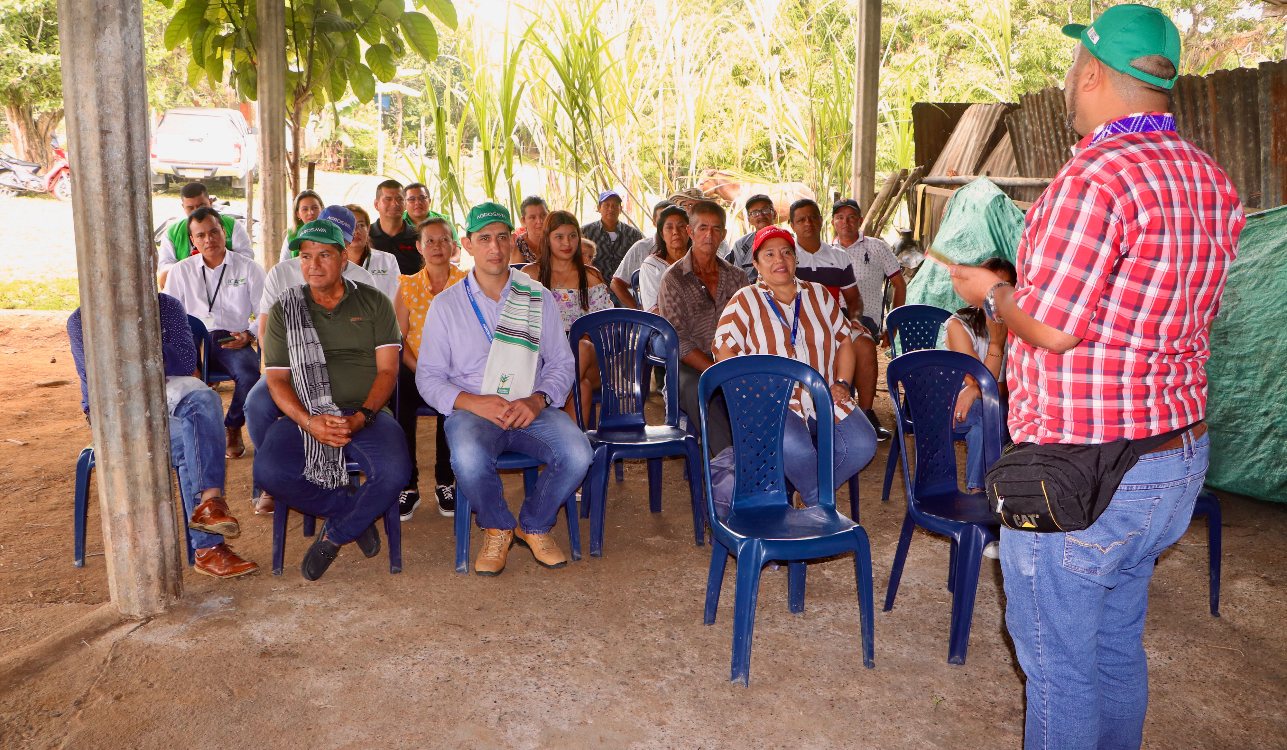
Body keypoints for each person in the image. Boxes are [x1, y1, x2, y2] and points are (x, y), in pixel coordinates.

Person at [949, 6, 1243, 748]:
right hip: (1169, 461)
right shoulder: (1209, 179)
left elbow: (1053, 327)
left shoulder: (1094, 178)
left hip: (1083, 474)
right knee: (1113, 649)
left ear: (1089, 73)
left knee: (1058, 671)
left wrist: (990, 293)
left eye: (1072, 74)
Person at [416, 202, 593, 576]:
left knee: (578, 453)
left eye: (501, 237)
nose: (494, 248)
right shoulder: (446, 306)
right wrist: (472, 402)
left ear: (512, 240)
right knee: (466, 457)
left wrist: (538, 398)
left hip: (531, 409)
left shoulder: (536, 296)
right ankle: (497, 526)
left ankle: (533, 525)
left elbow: (562, 363)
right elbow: (428, 377)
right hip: (473, 412)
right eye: (484, 239)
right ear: (467, 244)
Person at [254, 219, 410, 582]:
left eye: (324, 255)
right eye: (306, 257)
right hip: (307, 415)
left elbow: (388, 372)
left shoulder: (373, 302)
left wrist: (361, 418)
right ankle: (353, 514)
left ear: (343, 259)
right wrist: (310, 422)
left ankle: (336, 535)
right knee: (269, 471)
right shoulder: (285, 309)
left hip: (365, 414)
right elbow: (275, 379)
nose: (313, 265)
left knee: (395, 472)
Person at [68, 294, 258, 578]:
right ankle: (208, 548)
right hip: (115, 411)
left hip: (167, 396)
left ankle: (211, 502)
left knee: (205, 400)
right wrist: (149, 349)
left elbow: (183, 362)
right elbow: (102, 377)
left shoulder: (165, 306)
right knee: (189, 442)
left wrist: (130, 350)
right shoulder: (82, 320)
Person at [711, 226, 878, 512]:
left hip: (823, 394)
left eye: (787, 252)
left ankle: (808, 494)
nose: (780, 260)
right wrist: (750, 396)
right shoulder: (745, 300)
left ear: (796, 258)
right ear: (757, 264)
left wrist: (842, 382)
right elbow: (722, 348)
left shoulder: (819, 295)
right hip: (775, 402)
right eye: (770, 254)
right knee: (794, 446)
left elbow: (844, 340)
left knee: (862, 443)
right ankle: (820, 507)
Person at [246, 206, 378, 515]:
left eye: (336, 246)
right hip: (288, 368)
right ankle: (273, 482)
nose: (321, 256)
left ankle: (333, 475)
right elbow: (265, 332)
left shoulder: (364, 280)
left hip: (340, 373)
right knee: (257, 403)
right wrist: (287, 368)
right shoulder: (282, 273)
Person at [162, 206, 266, 459]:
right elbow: (169, 317)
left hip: (231, 338)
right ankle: (195, 439)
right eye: (200, 235)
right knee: (179, 379)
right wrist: (185, 355)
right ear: (192, 240)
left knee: (250, 374)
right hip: (192, 339)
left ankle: (232, 425)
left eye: (214, 232)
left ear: (224, 233)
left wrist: (249, 335)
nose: (208, 239)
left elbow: (265, 311)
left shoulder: (248, 268)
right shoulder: (180, 271)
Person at [789, 198, 889, 440]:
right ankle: (805, 418)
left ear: (822, 221)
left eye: (813, 217)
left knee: (864, 343)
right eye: (801, 219)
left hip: (835, 323)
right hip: (798, 326)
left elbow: (853, 299)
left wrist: (854, 319)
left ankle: (866, 415)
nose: (808, 223)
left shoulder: (838, 256)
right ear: (792, 225)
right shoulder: (787, 256)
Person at [656, 199, 748, 457]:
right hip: (690, 364)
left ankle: (762, 459)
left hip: (732, 359)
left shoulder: (736, 276)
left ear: (724, 234)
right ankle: (731, 464)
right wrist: (716, 370)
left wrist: (732, 366)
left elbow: (747, 327)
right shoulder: (673, 279)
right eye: (703, 227)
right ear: (690, 231)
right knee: (701, 389)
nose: (709, 235)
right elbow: (678, 340)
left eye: (716, 229)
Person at [394, 216, 468, 520]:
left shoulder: (467, 282)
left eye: (443, 240)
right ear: (419, 247)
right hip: (415, 367)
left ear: (453, 245)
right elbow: (399, 336)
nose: (437, 246)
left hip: (454, 368)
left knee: (452, 402)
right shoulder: (407, 284)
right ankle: (407, 485)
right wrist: (420, 369)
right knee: (398, 393)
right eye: (430, 241)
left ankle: (444, 481)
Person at [521, 210, 615, 423]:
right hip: (542, 360)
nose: (567, 243)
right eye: (559, 237)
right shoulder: (530, 276)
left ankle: (546, 403)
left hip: (590, 360)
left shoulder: (590, 276)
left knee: (580, 348)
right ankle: (569, 449)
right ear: (547, 239)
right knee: (580, 387)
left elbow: (606, 326)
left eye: (573, 236)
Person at [941, 257, 1016, 494]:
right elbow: (976, 380)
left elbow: (1020, 386)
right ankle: (981, 494)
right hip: (955, 409)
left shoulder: (1023, 326)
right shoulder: (958, 324)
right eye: (989, 288)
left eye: (1003, 289)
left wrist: (977, 390)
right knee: (990, 414)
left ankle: (978, 493)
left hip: (993, 406)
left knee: (986, 419)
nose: (995, 298)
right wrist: (996, 343)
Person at [832, 198, 905, 335]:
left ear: (860, 220)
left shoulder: (877, 247)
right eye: (840, 217)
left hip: (866, 318)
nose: (845, 222)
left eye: (851, 217)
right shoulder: (828, 252)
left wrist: (893, 324)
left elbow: (899, 284)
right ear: (833, 222)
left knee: (853, 340)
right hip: (834, 319)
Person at [156, 181, 253, 285]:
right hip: (189, 284)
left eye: (201, 206)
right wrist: (191, 268)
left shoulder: (232, 225)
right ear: (183, 207)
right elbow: (165, 265)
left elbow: (246, 257)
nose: (196, 211)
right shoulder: (172, 233)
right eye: (190, 208)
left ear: (210, 202)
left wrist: (218, 262)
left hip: (227, 282)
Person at [610, 200, 670, 308]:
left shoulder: (690, 249)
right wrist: (638, 311)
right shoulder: (642, 248)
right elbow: (616, 283)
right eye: (662, 220)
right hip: (651, 319)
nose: (667, 224)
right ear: (654, 222)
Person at [638, 205, 691, 312]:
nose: (675, 232)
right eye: (669, 227)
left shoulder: (699, 260)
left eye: (681, 226)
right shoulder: (652, 266)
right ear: (662, 234)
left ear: (689, 231)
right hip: (665, 326)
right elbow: (653, 310)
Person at [343, 204, 401, 300]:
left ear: (368, 228)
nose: (356, 231)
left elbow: (395, 299)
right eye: (350, 226)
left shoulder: (388, 260)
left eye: (361, 225)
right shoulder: (331, 263)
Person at [582, 190, 643, 279]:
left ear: (621, 209)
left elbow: (639, 262)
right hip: (595, 286)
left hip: (625, 287)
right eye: (606, 205)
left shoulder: (633, 234)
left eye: (615, 205)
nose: (611, 209)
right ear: (599, 208)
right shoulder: (585, 232)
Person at [370, 179, 422, 274]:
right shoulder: (366, 236)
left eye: (399, 199)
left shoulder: (419, 236)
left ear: (405, 204)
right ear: (376, 204)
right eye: (388, 199)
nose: (395, 204)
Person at [725, 193, 775, 280]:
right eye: (755, 213)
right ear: (749, 220)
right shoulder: (741, 244)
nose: (761, 215)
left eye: (766, 210)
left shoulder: (787, 240)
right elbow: (737, 279)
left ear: (774, 214)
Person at [276, 190, 324, 261]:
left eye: (315, 208)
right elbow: (283, 264)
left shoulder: (332, 231)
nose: (311, 212)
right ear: (297, 214)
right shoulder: (292, 234)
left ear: (322, 209)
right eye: (305, 209)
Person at [512, 195, 549, 265]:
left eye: (543, 215)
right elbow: (517, 273)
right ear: (523, 221)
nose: (539, 221)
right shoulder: (519, 245)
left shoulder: (557, 239)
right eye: (532, 217)